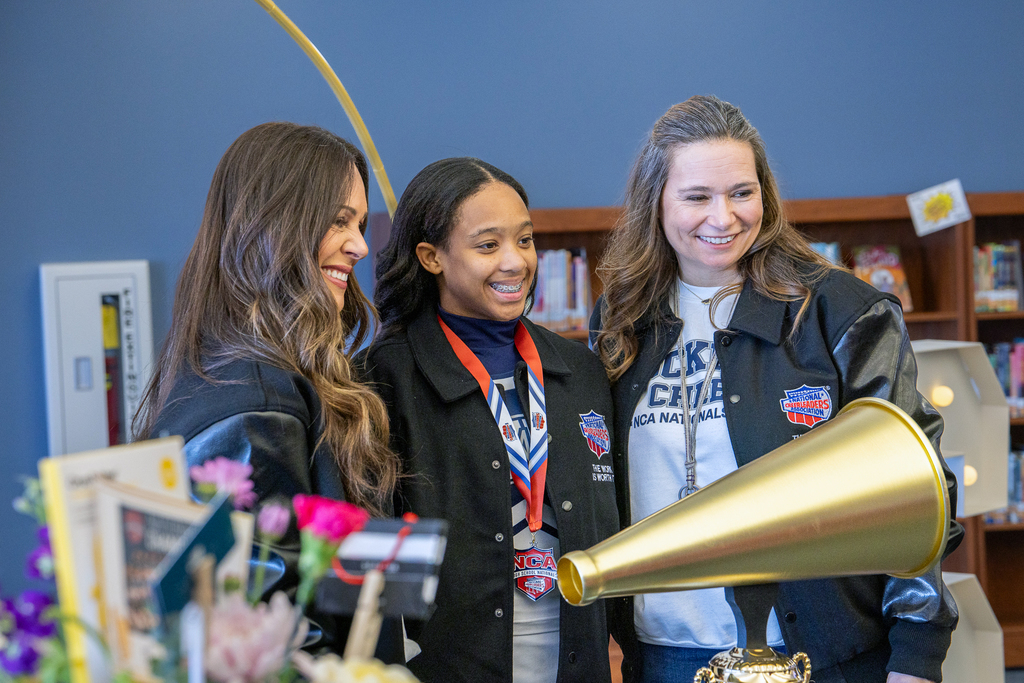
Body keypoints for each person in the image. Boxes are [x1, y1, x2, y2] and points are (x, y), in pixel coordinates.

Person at [590, 95, 963, 683]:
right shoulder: (619, 319)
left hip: (820, 654)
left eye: (742, 192)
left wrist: (918, 654)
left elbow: (919, 493)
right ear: (655, 203)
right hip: (663, 651)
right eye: (697, 197)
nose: (724, 217)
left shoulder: (841, 312)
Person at [133, 121, 402, 660]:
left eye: (359, 222)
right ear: (276, 226)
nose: (359, 245)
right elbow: (268, 632)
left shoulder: (220, 368)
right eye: (338, 222)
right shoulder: (260, 401)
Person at [360, 157, 619, 683]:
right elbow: (368, 566)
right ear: (431, 257)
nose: (515, 262)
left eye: (524, 241)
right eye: (487, 245)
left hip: (577, 661)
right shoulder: (380, 382)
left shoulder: (583, 372)